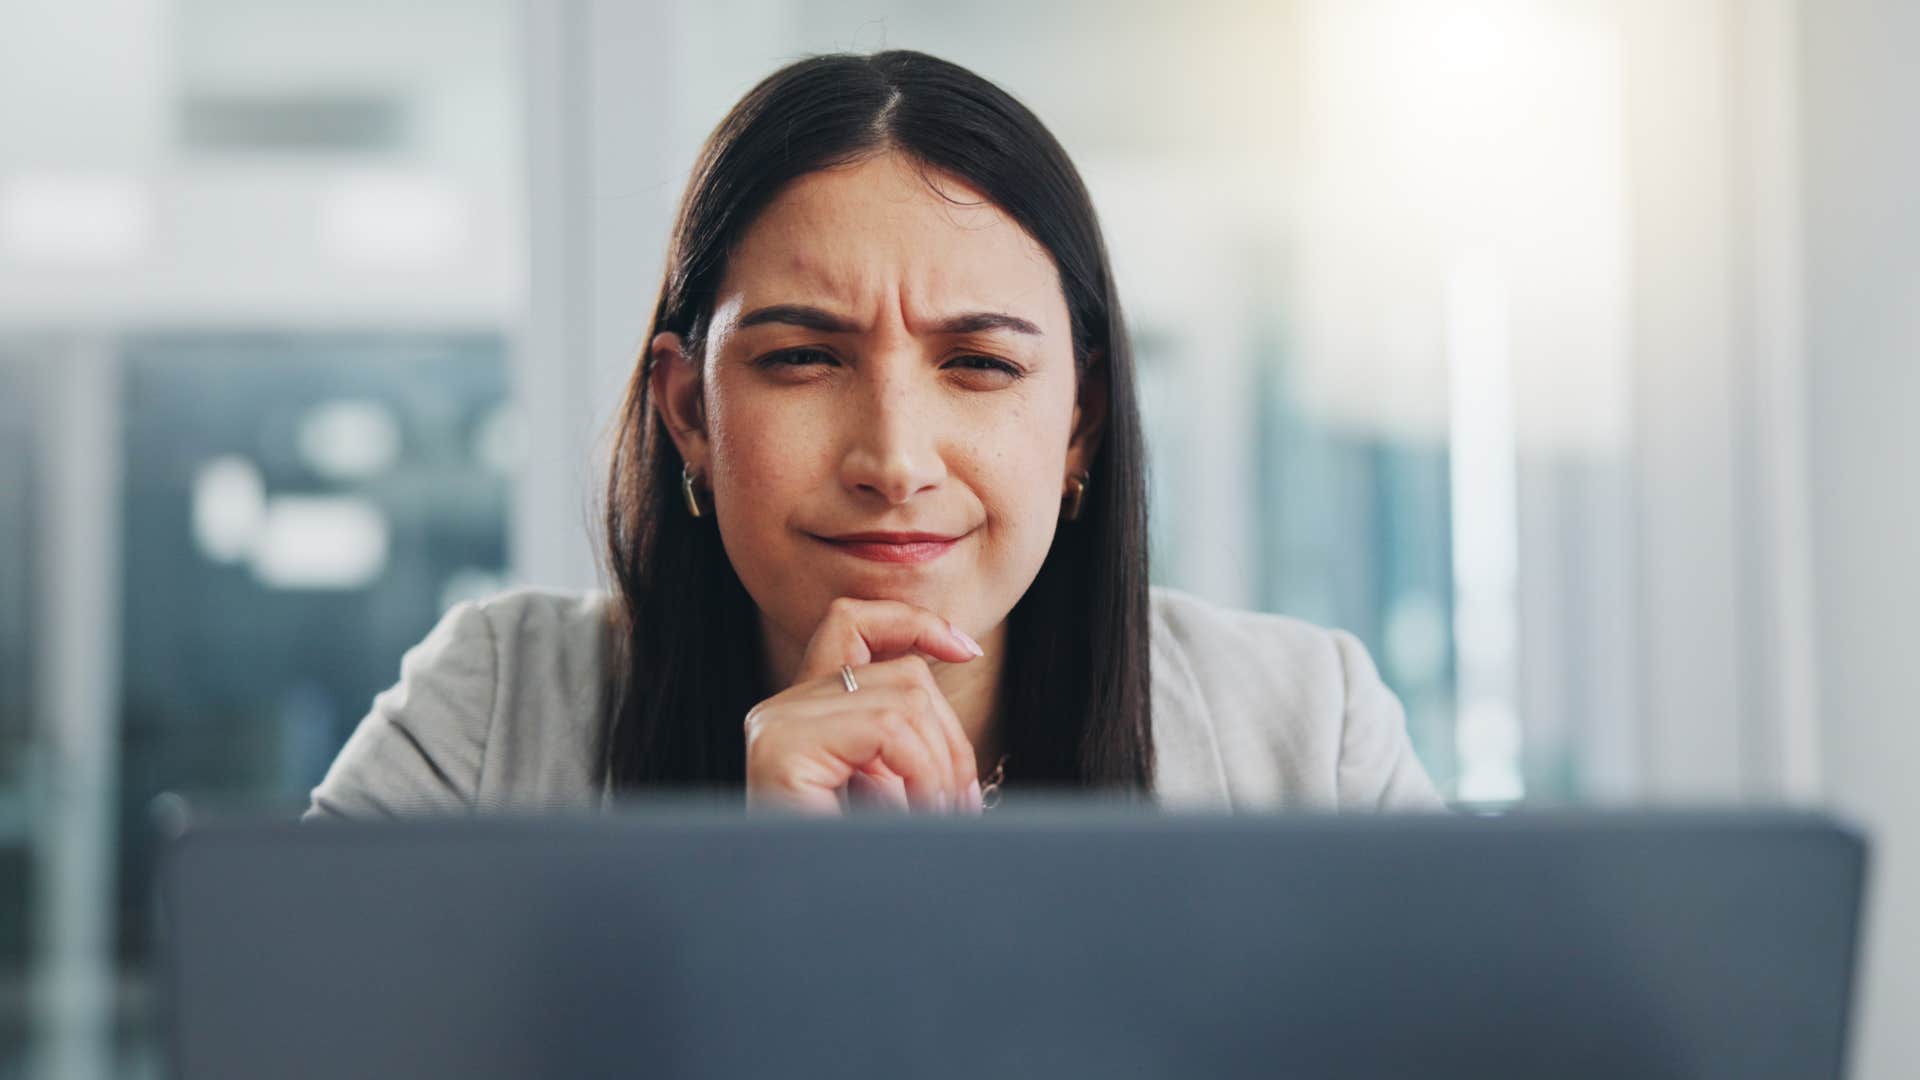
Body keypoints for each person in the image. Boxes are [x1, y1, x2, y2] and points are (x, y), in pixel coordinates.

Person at [304, 49, 1443, 822]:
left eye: (980, 364)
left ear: (1081, 423)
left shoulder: (1310, 733)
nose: (894, 462)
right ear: (689, 412)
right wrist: (766, 901)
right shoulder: (493, 710)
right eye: (804, 358)